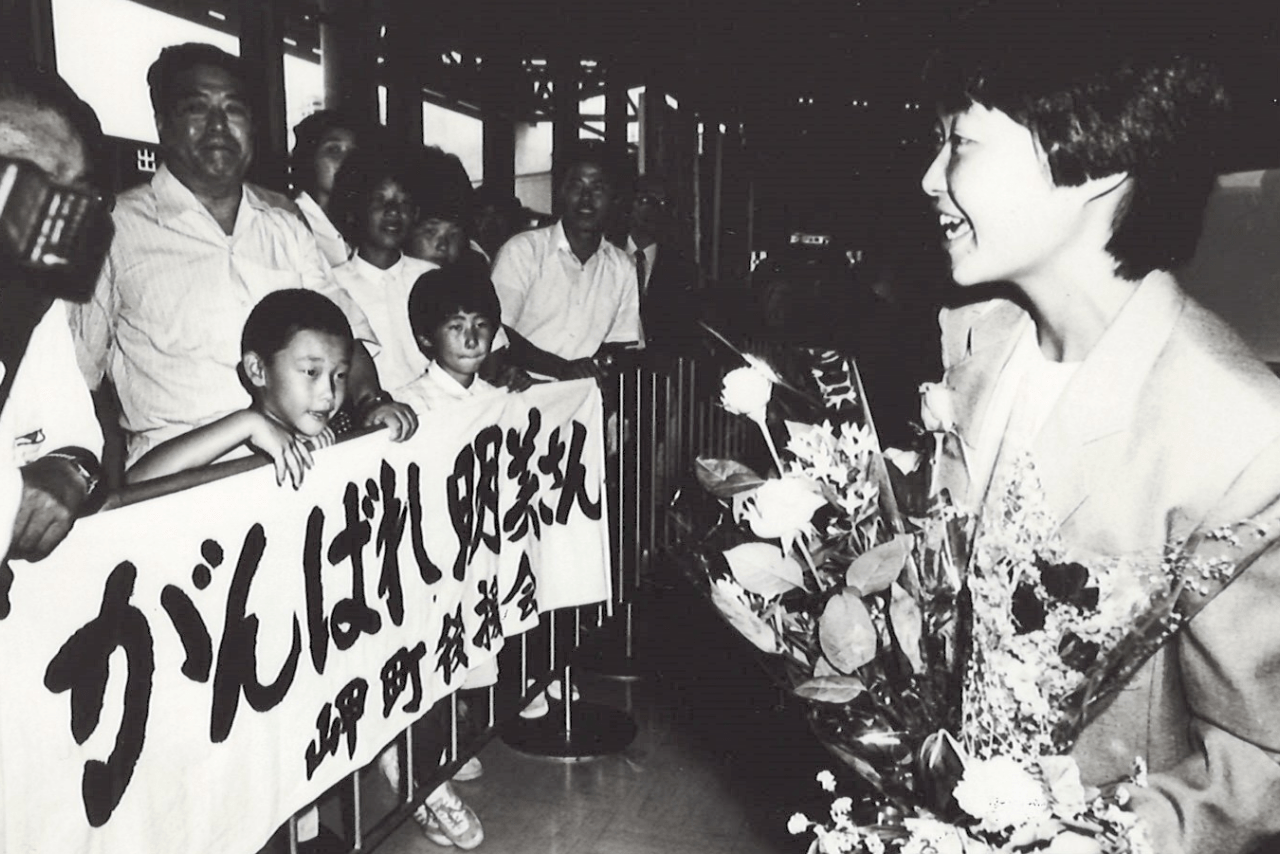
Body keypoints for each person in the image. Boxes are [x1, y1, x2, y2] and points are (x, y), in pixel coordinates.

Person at [922, 6, 1280, 852]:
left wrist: (1089, 837)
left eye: (961, 144)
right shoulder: (976, 351)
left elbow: (1260, 766)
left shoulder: (1238, 434)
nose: (930, 178)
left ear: (1094, 162)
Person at [68, 43, 416, 471]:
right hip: (178, 484)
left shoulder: (284, 226)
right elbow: (76, 378)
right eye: (197, 108)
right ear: (162, 124)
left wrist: (370, 402)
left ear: (252, 127)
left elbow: (345, 336)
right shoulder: (113, 228)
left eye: (234, 109)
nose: (218, 126)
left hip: (297, 474)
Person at [0, 62, 106, 564]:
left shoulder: (34, 299)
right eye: (23, 175)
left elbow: (78, 442)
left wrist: (67, 472)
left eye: (72, 190)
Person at [125, 289, 349, 488]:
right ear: (258, 370)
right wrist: (247, 424)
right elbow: (136, 484)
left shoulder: (330, 439)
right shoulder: (230, 440)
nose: (328, 393)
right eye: (311, 372)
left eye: (340, 375)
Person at [490, 141, 643, 381]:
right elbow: (497, 329)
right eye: (576, 186)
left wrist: (603, 371)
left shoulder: (623, 267)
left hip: (583, 404)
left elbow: (621, 343)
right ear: (561, 191)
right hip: (520, 397)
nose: (586, 199)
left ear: (615, 198)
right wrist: (562, 369)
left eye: (598, 188)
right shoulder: (523, 251)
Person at [328, 145, 440, 392]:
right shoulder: (332, 286)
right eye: (379, 200)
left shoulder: (434, 278)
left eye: (404, 202)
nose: (393, 211)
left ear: (415, 214)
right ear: (354, 211)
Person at [394, 262, 505, 413]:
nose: (471, 341)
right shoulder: (411, 404)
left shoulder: (498, 398)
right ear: (426, 338)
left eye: (480, 325)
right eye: (456, 327)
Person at [623, 173, 701, 352]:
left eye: (661, 203)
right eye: (644, 200)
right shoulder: (604, 258)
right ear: (629, 205)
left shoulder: (684, 271)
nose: (651, 209)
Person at [289, 109, 375, 267]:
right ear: (309, 158)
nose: (347, 161)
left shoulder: (363, 227)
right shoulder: (289, 222)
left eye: (353, 153)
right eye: (334, 150)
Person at [470, 184, 525, 264]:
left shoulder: (518, 252)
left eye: (498, 215)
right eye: (483, 215)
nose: (490, 223)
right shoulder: (468, 257)